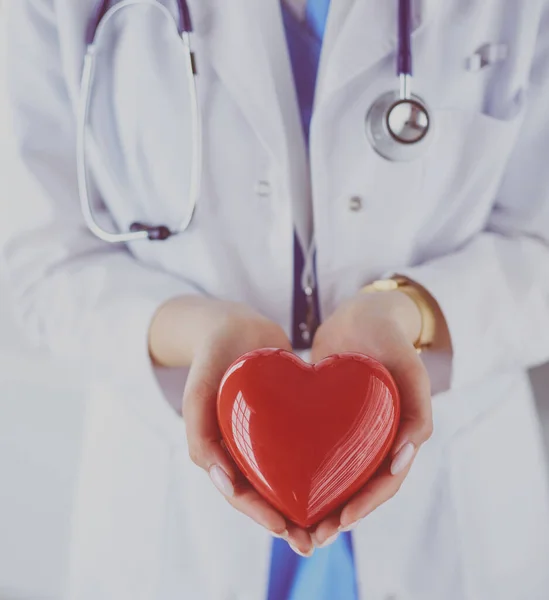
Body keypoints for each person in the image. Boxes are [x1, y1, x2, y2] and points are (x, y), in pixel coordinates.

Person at [2, 0, 549, 598]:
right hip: (170, 519)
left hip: (451, 507)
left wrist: (407, 310)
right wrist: (198, 332)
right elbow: (42, 264)